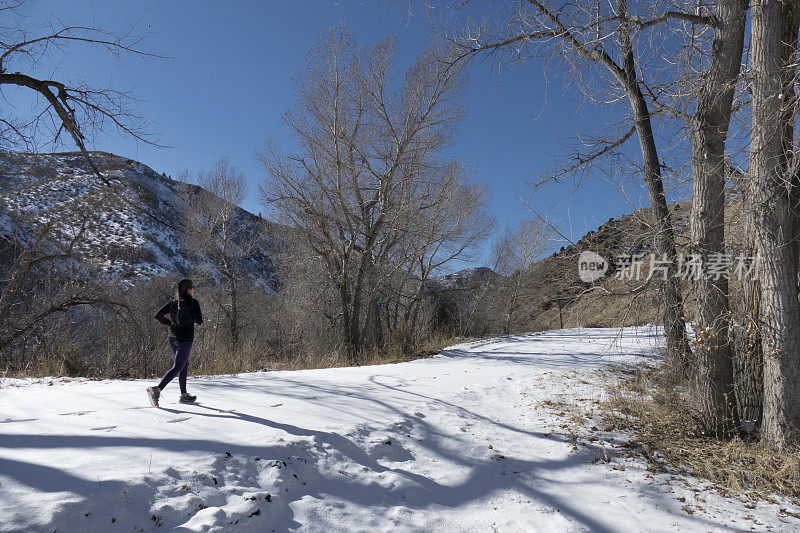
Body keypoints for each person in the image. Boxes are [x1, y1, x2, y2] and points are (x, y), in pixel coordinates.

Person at [147, 279, 203, 407]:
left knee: (183, 364)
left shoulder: (172, 303)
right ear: (189, 290)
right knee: (178, 367)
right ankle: (157, 390)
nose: (194, 289)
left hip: (172, 339)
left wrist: (170, 324)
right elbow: (199, 320)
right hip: (185, 340)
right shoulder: (193, 303)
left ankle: (184, 395)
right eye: (193, 287)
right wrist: (192, 314)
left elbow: (158, 315)